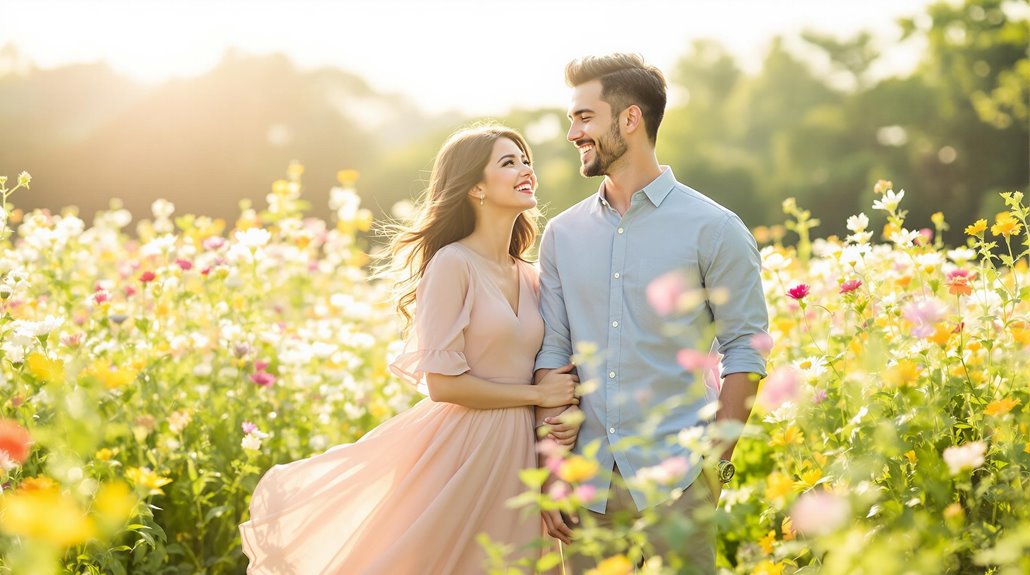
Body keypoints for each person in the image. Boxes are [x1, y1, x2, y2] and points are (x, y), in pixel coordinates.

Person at [239, 124, 582, 574]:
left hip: (521, 453)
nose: (526, 171)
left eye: (526, 160)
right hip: (466, 451)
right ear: (475, 186)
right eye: (509, 162)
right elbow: (442, 384)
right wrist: (536, 396)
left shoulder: (532, 275)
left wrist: (552, 438)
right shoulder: (452, 264)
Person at [533, 54, 770, 573]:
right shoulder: (562, 235)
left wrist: (714, 469)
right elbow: (554, 352)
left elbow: (746, 348)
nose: (573, 132)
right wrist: (552, 469)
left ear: (631, 119)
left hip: (680, 479)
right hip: (586, 483)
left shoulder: (715, 228)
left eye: (585, 117)